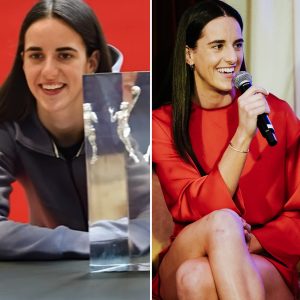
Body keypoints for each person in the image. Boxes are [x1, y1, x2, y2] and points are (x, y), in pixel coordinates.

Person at [152, 1, 300, 299]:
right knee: (222, 222)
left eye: (237, 45)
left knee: (196, 278)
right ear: (189, 54)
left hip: (264, 255)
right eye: (217, 46)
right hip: (190, 246)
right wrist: (243, 136)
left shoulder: (278, 114)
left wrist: (253, 241)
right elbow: (197, 208)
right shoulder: (163, 123)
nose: (232, 57)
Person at [0, 0, 149, 260]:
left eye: (64, 55)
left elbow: (155, 215)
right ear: (23, 61)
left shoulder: (124, 117)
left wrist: (119, 242)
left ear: (91, 62)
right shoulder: (8, 127)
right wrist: (88, 243)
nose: (48, 71)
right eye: (36, 55)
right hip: (50, 277)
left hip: (125, 275)